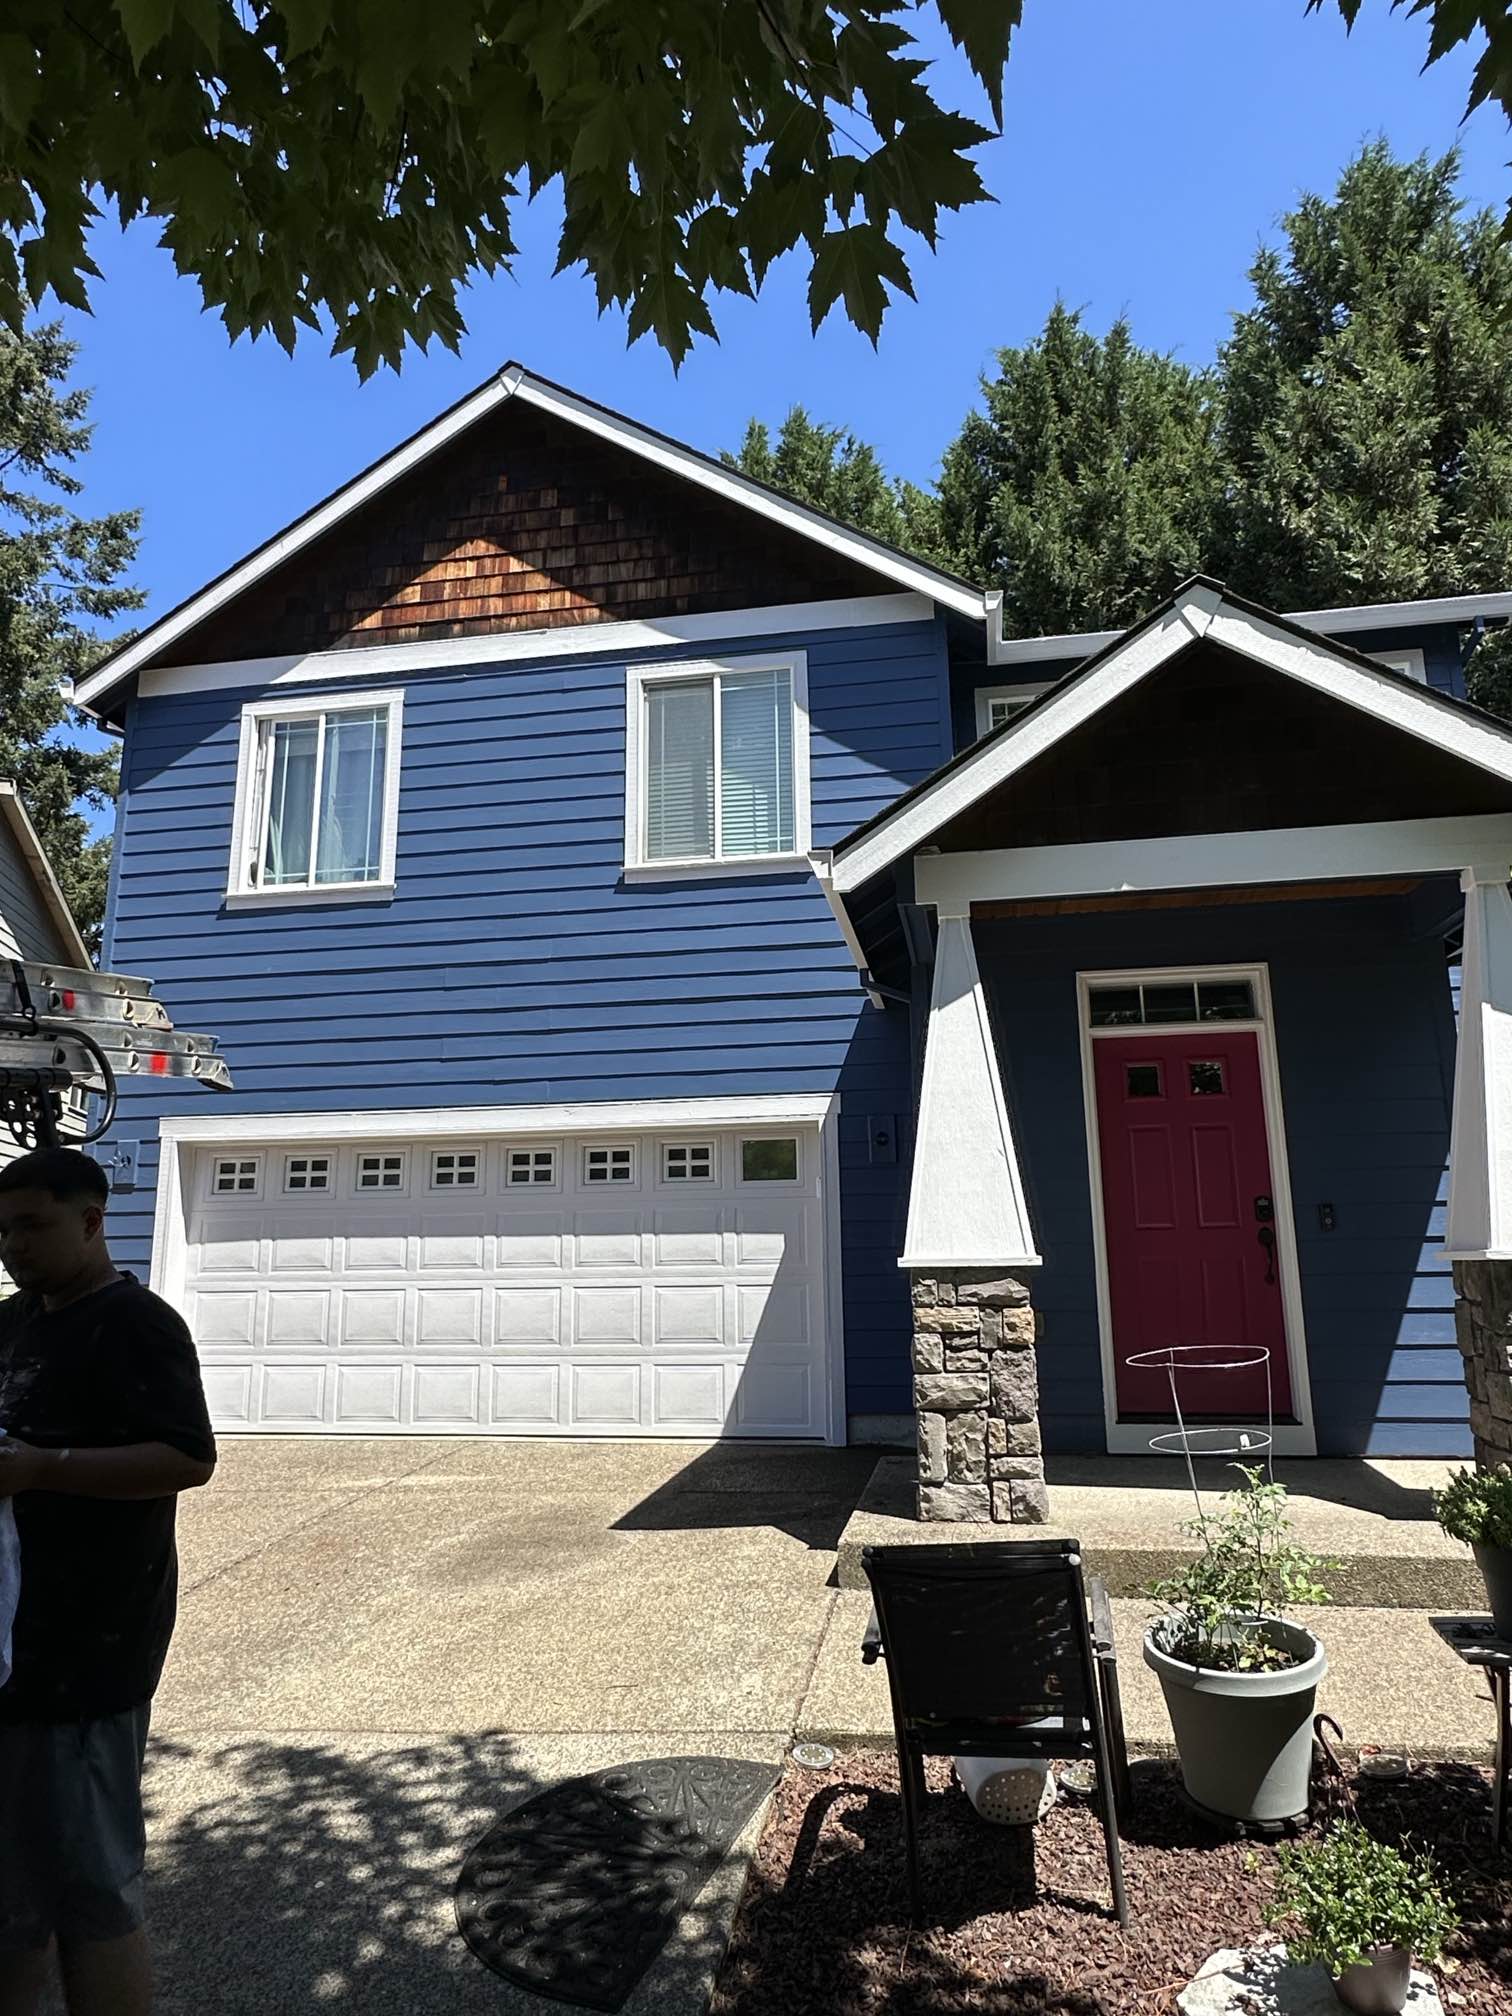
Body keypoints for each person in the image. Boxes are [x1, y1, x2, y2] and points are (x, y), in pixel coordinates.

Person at [0, 1147, 216, 2016]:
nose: (14, 1246)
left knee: (93, 1892)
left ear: (92, 1221)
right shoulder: (12, 1322)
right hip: (11, 1651)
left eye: (32, 1226)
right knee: (10, 1895)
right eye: (3, 1231)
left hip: (88, 1654)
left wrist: (42, 1467)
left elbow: (187, 1459)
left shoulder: (136, 1324)